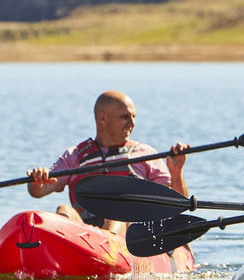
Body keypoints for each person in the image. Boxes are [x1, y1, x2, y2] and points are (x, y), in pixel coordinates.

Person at [27, 90, 189, 233]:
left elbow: (177, 204)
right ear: (102, 118)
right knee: (64, 210)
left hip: (129, 235)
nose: (132, 124)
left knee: (115, 217)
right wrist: (36, 180)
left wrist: (176, 172)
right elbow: (39, 191)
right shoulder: (75, 155)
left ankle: (108, 250)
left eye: (133, 117)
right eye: (125, 117)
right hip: (85, 234)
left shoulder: (146, 154)